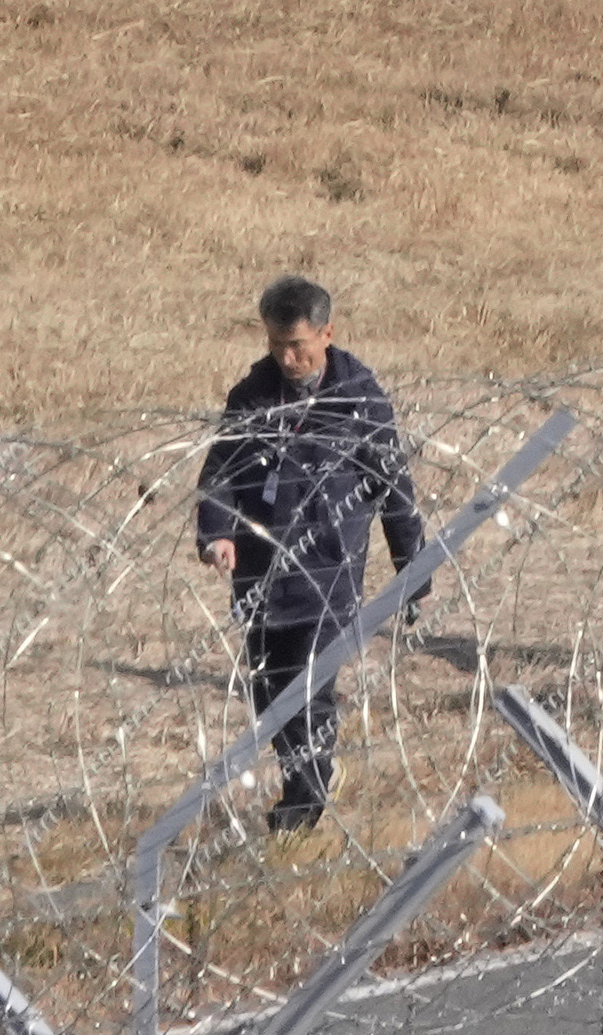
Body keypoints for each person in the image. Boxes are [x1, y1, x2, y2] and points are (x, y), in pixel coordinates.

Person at [194, 276, 429, 835]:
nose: (287, 357)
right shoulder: (251, 395)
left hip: (328, 570)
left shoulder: (359, 397)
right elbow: (220, 475)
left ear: (327, 333)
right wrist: (217, 533)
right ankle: (308, 772)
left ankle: (304, 803)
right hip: (259, 571)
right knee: (267, 688)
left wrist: (412, 569)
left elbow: (393, 487)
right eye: (276, 344)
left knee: (310, 685)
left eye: (297, 344)